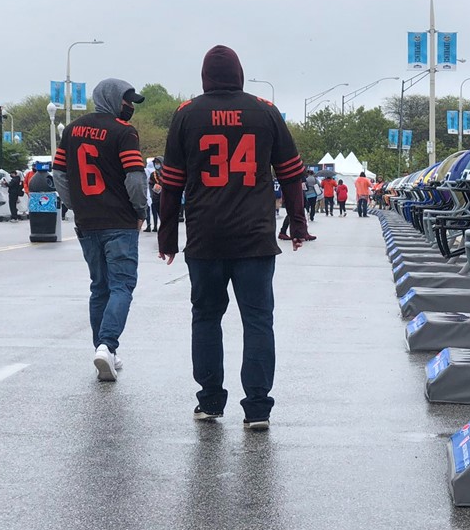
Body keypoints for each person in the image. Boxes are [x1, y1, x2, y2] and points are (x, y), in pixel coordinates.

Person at [158, 44, 308, 431]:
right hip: (254, 238)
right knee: (258, 320)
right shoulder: (265, 110)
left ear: (205, 77)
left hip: (205, 237)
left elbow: (171, 184)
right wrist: (298, 225)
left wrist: (167, 238)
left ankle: (210, 402)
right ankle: (257, 408)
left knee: (206, 318)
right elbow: (292, 175)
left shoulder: (187, 114)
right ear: (239, 73)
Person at [52, 78, 148, 382]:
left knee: (99, 286)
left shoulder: (72, 130)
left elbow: (59, 174)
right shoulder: (124, 132)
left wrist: (77, 205)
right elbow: (134, 178)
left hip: (87, 222)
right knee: (121, 286)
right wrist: (140, 211)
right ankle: (107, 345)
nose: (130, 106)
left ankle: (104, 350)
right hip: (119, 222)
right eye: (127, 100)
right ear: (113, 99)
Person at [147, 157, 163, 232]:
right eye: (155, 163)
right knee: (156, 212)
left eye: (158, 163)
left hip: (165, 198)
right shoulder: (153, 174)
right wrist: (152, 195)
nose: (156, 164)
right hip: (156, 197)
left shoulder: (166, 173)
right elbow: (150, 185)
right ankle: (156, 226)